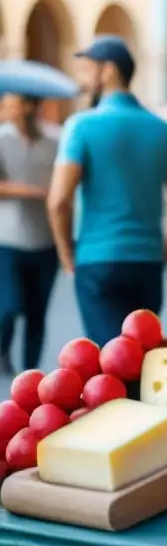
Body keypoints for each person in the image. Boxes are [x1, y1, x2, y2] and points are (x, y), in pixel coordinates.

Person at [48, 36, 167, 346]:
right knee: (143, 357)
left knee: (110, 360)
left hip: (97, 259)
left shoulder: (81, 126)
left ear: (109, 71)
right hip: (147, 261)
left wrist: (66, 256)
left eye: (87, 69)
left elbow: (59, 200)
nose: (83, 78)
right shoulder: (164, 130)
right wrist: (165, 247)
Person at [0, 94, 59, 374]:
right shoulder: (1, 138)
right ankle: (2, 349)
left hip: (46, 241)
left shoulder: (54, 142)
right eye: (7, 104)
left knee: (38, 313)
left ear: (31, 106)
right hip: (7, 240)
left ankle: (30, 371)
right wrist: (37, 192)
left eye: (13, 103)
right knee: (8, 305)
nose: (8, 109)